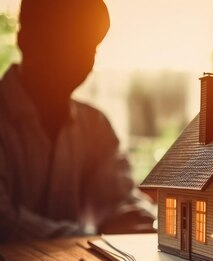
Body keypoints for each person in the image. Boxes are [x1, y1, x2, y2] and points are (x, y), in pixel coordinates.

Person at [0, 0, 154, 241]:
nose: (77, 57)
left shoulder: (94, 126)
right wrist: (90, 240)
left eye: (88, 47)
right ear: (25, 39)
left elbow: (118, 202)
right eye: (64, 41)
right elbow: (4, 222)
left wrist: (149, 228)